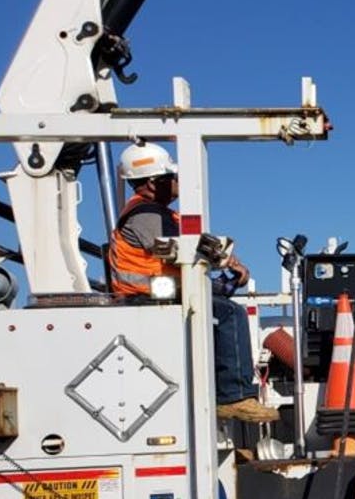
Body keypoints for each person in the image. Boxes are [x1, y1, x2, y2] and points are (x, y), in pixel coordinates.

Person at [107, 142, 278, 423]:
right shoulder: (146, 214)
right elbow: (177, 250)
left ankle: (221, 392)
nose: (178, 183)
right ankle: (234, 396)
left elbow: (188, 255)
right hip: (143, 295)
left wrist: (224, 267)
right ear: (153, 182)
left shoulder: (157, 213)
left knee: (220, 305)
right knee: (229, 313)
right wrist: (221, 258)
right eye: (172, 177)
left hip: (164, 291)